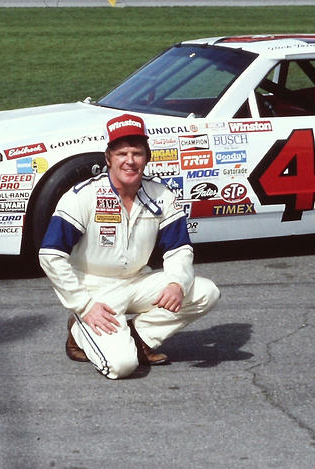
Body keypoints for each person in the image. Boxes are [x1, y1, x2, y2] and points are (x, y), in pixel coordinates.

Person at [39, 113, 219, 380]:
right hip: (95, 292)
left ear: (147, 157)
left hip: (138, 282)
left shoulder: (162, 195)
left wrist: (176, 284)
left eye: (137, 153)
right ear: (108, 157)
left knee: (206, 291)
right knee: (122, 366)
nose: (130, 161)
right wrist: (84, 305)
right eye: (122, 153)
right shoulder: (83, 196)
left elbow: (179, 249)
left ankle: (140, 336)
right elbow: (50, 255)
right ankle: (79, 331)